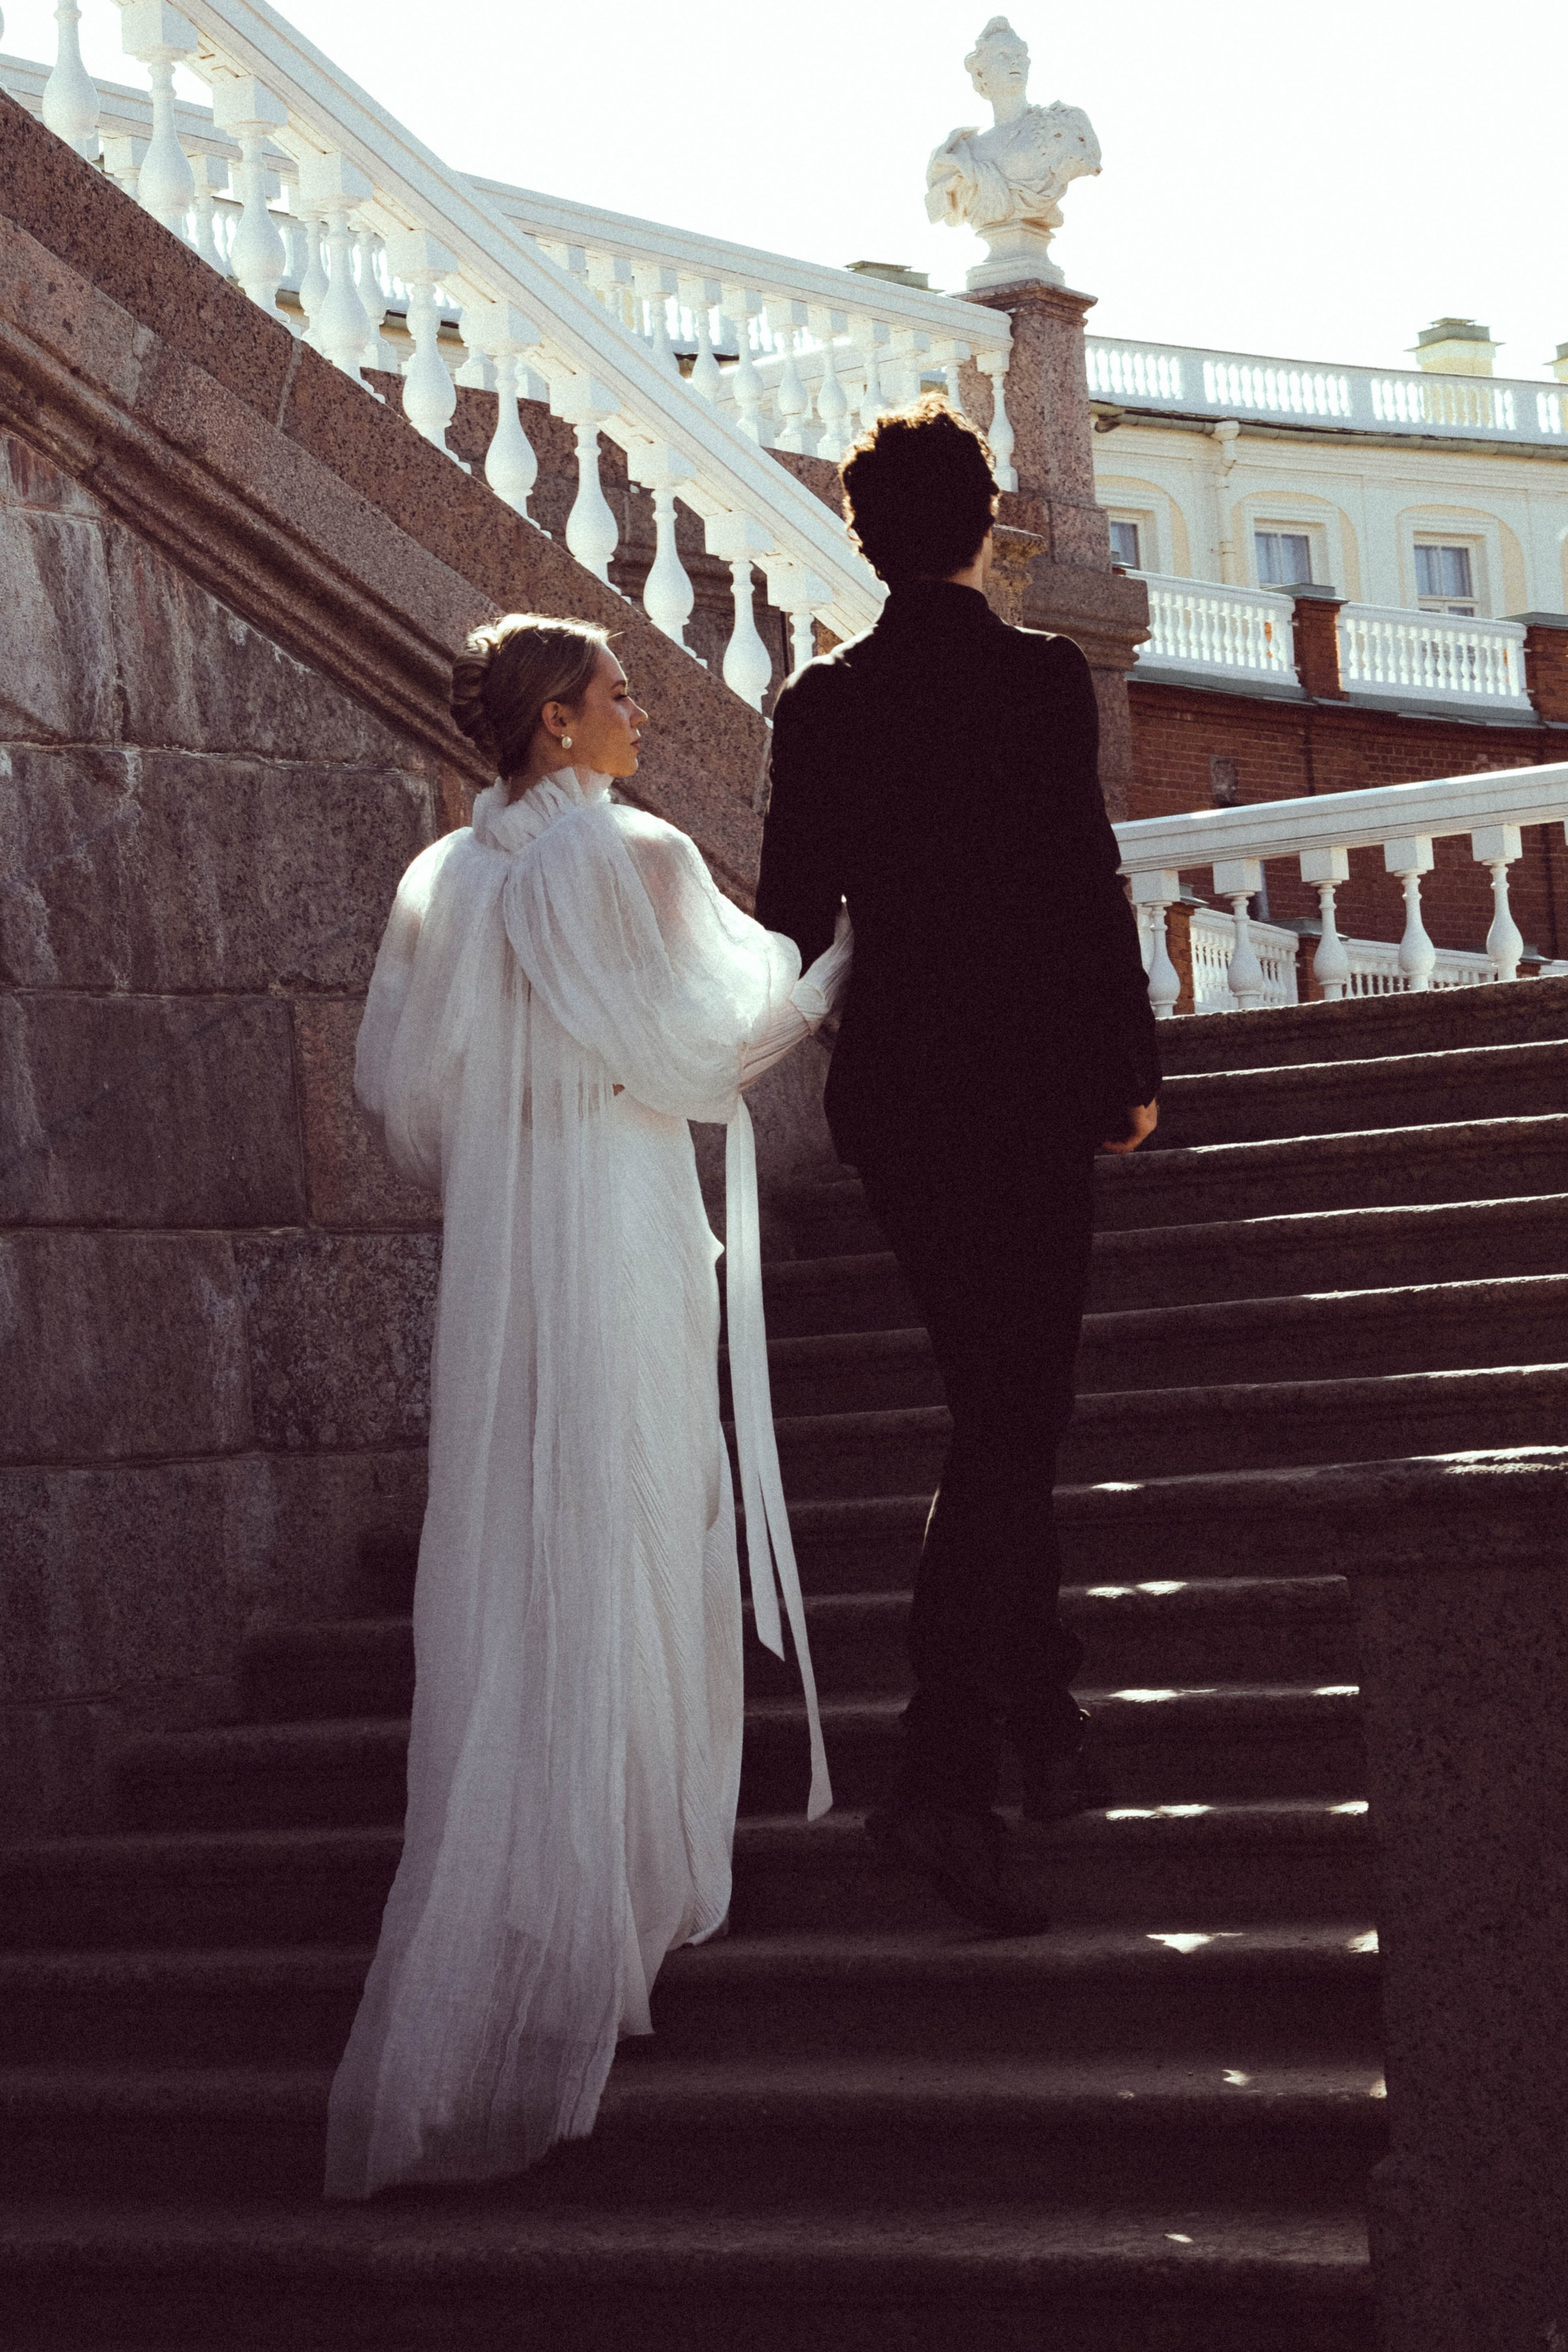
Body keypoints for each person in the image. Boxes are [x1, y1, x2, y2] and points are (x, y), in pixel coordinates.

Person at [325, 614, 846, 2199]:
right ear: (555, 721)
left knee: (527, 1538)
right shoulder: (634, 859)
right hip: (615, 1227)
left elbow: (405, 1107)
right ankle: (616, 1910)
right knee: (631, 1514)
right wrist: (838, 971)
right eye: (618, 694)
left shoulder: (445, 881)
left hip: (512, 1251)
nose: (641, 711)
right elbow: (724, 1042)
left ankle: (549, 1905)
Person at [755, 397, 1159, 1934]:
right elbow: (1082, 873)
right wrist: (1127, 1064)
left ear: (861, 535)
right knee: (1011, 1412)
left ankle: (1042, 1713)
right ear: (982, 528)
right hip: (1029, 1086)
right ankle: (938, 1777)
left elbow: (794, 913)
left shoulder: (821, 703)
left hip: (904, 1099)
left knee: (1000, 1400)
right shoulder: (1038, 677)